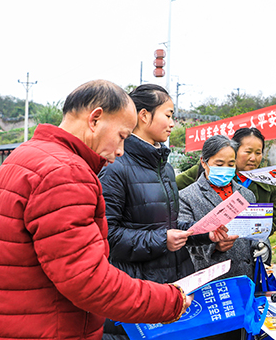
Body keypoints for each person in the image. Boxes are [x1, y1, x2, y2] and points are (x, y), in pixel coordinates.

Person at [0, 80, 193, 340]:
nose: (121, 151)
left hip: (10, 322)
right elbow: (87, 279)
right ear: (95, 119)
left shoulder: (25, 156)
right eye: (122, 136)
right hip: (47, 327)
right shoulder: (66, 172)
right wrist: (168, 301)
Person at [98, 84, 231, 340]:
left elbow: (168, 226)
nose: (173, 123)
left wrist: (204, 234)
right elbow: (107, 236)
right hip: (138, 288)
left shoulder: (165, 168)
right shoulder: (116, 168)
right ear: (145, 116)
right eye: (168, 115)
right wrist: (162, 240)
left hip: (174, 282)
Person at [177, 128, 276, 236]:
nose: (253, 158)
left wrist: (258, 236)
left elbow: (272, 220)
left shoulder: (267, 182)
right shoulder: (208, 170)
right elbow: (173, 187)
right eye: (248, 152)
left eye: (258, 153)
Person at [179, 134, 254, 279]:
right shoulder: (187, 196)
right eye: (219, 164)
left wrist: (262, 245)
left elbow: (254, 230)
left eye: (231, 164)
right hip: (209, 276)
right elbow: (186, 239)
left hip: (245, 274)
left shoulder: (247, 195)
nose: (225, 169)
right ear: (203, 162)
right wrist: (214, 247)